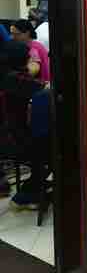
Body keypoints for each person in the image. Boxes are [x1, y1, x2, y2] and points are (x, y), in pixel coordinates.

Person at [0, 41, 47, 199]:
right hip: (15, 140)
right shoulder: (14, 79)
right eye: (28, 57)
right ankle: (30, 192)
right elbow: (44, 87)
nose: (30, 59)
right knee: (50, 149)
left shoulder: (9, 74)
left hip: (13, 135)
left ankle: (34, 185)